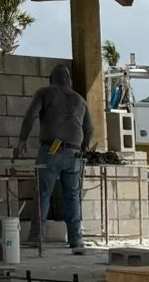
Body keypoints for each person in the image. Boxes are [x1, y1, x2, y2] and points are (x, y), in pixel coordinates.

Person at [17, 64, 94, 253]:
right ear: (69, 80)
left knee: (43, 194)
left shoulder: (45, 92)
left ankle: (36, 237)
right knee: (72, 197)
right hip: (74, 152)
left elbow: (31, 115)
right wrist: (83, 148)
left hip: (52, 149)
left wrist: (22, 141)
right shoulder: (80, 100)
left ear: (52, 79)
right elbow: (89, 129)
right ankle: (76, 240)